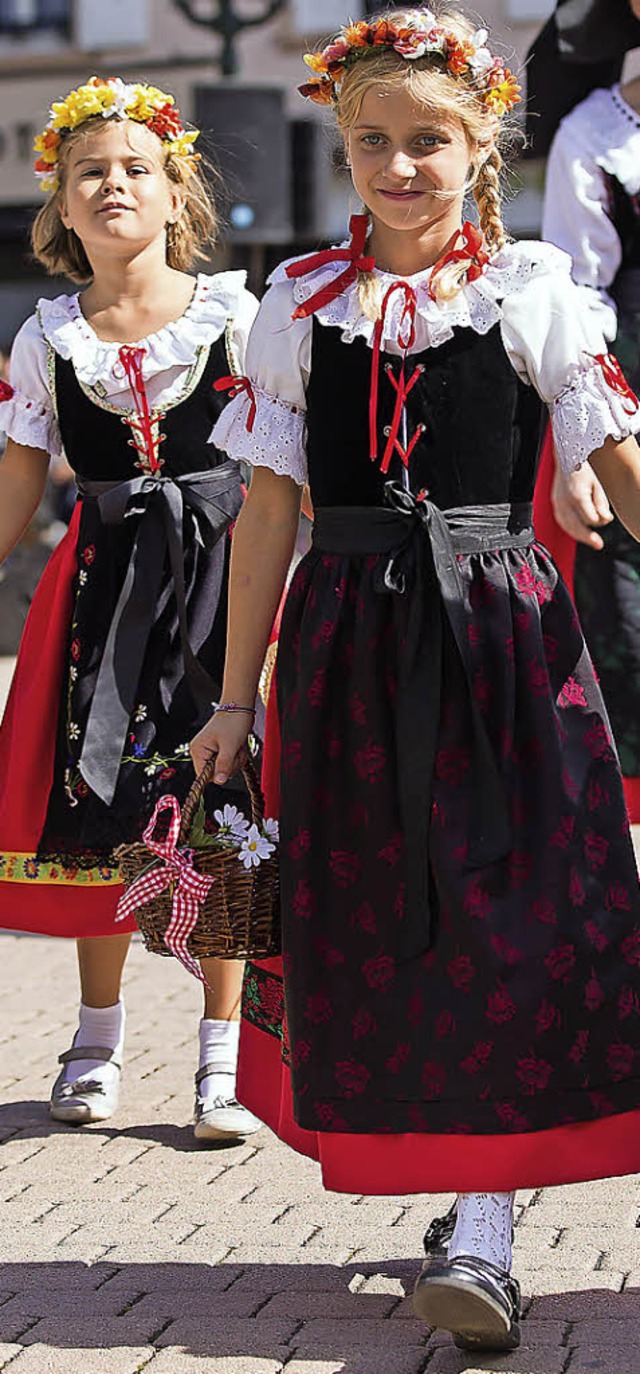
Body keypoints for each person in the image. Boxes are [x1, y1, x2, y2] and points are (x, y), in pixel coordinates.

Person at [193, 5, 640, 1353]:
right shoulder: (296, 306)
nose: (398, 166)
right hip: (345, 652)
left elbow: (612, 457)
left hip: (504, 640)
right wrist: (230, 696)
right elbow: (269, 509)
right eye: (373, 141)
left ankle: (488, 1221)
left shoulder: (536, 288)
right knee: (389, 926)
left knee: (515, 912)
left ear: (481, 142)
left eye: (427, 141)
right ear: (343, 144)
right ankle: (463, 1205)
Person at [0, 76, 261, 1144]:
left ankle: (222, 1059)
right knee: (101, 808)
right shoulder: (46, 338)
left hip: (221, 588)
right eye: (89, 173)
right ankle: (96, 1038)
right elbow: (16, 496)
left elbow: (281, 469)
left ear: (175, 194)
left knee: (225, 813)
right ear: (61, 205)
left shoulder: (236, 316)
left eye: (134, 170)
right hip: (101, 601)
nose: (113, 186)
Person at [529, 0, 640, 820]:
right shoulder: (594, 138)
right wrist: (577, 453)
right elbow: (574, 309)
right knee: (629, 639)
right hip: (630, 413)